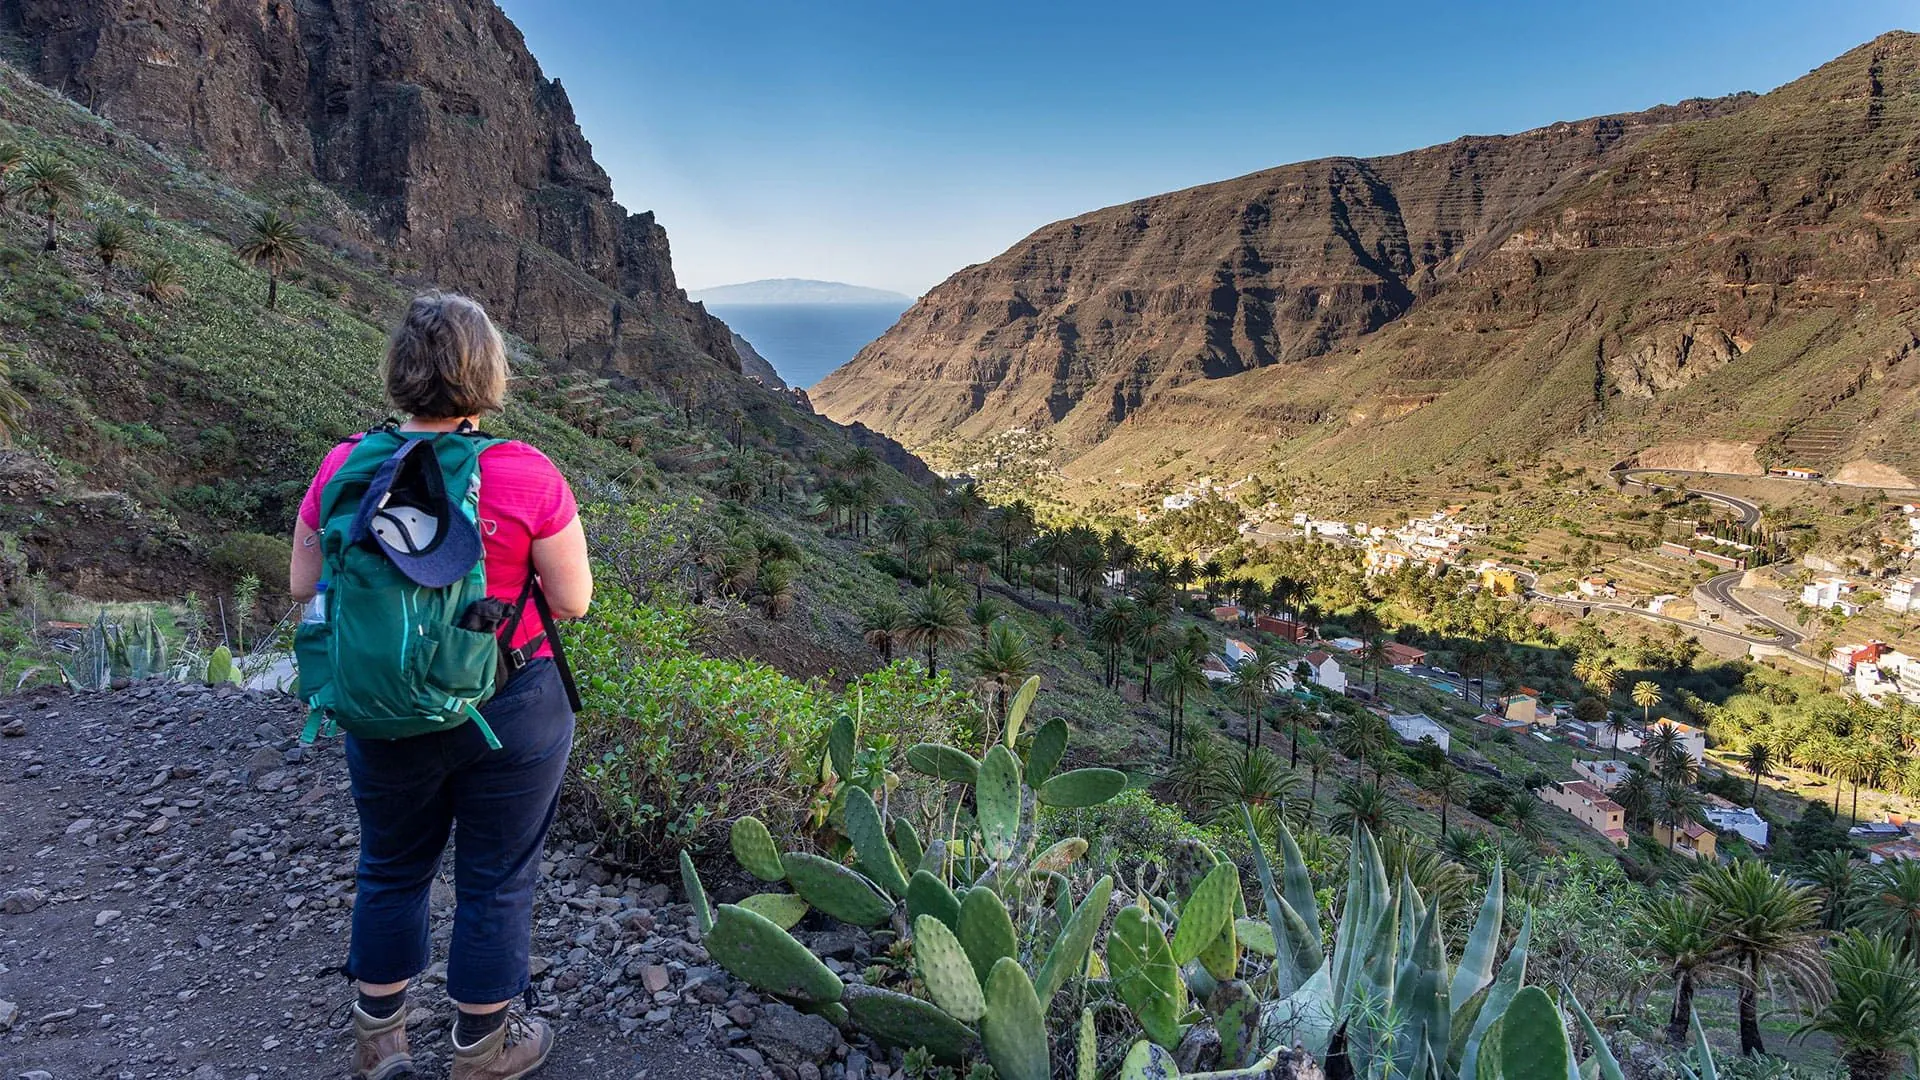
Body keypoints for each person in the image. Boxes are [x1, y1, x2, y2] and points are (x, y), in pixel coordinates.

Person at [289, 293, 592, 1080]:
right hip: (508, 703)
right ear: (488, 375)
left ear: (400, 372)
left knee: (391, 866)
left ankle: (380, 1043)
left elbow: (302, 583)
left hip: (381, 702)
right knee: (496, 878)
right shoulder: (525, 471)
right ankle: (483, 1050)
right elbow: (572, 601)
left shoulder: (345, 464)